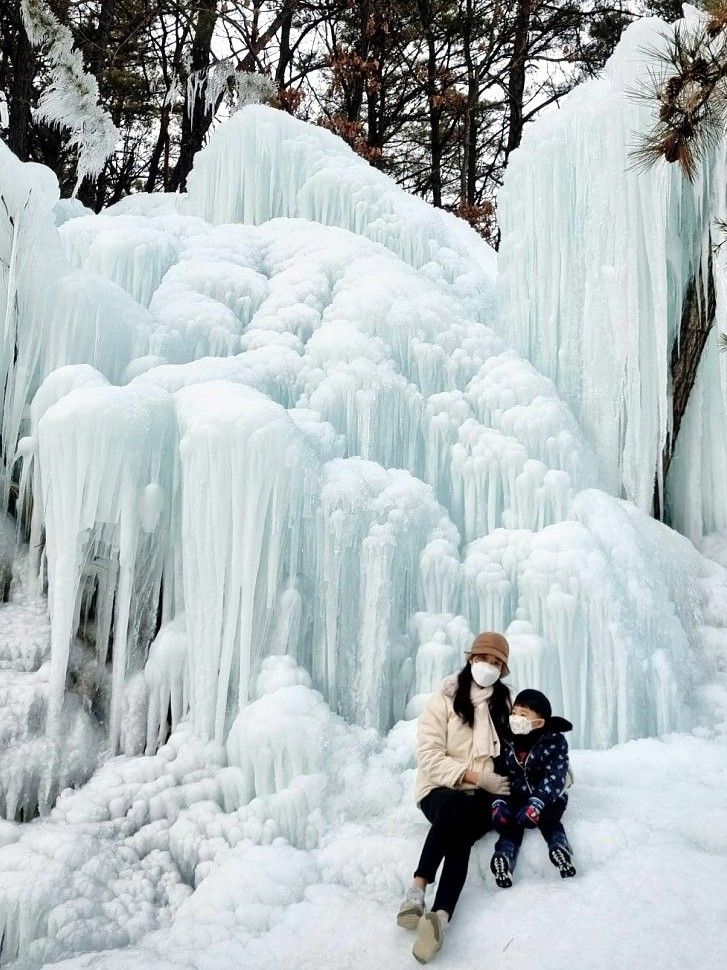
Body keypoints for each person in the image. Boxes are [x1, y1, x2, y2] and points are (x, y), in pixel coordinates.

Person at [397, 632, 512, 964]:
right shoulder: (444, 700)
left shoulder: (504, 704)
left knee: (460, 834)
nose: (488, 666)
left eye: (496, 662)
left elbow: (526, 742)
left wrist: (555, 768)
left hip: (484, 798)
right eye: (483, 659)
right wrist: (478, 776)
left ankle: (437, 917)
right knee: (457, 809)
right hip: (439, 790)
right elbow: (430, 758)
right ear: (470, 659)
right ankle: (421, 890)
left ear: (502, 669)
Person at [489, 688, 576, 889]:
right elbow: (499, 771)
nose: (515, 718)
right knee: (510, 822)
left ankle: (559, 846)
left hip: (548, 795)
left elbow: (555, 777)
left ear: (539, 722)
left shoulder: (554, 742)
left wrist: (536, 803)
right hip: (517, 794)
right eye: (514, 712)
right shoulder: (506, 739)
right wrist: (498, 801)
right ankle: (504, 855)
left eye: (523, 714)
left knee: (548, 817)